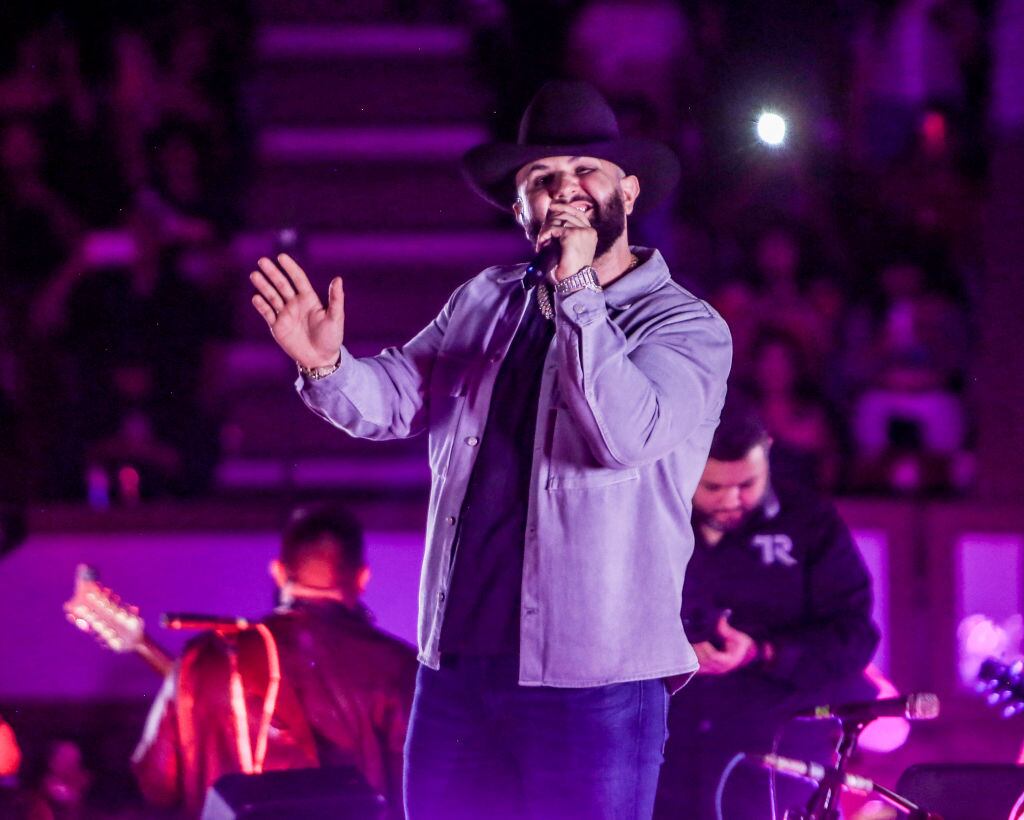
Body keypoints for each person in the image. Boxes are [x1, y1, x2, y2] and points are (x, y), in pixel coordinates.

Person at [249, 80, 732, 820]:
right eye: (542, 180)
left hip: (594, 686)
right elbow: (398, 401)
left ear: (627, 192)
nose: (565, 192)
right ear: (520, 209)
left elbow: (623, 436)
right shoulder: (486, 297)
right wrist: (325, 364)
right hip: (458, 671)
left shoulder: (685, 327)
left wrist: (576, 291)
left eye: (585, 173)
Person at [654, 400, 880, 820]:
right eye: (714, 487)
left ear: (768, 452)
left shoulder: (810, 523)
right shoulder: (650, 518)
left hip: (777, 752)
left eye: (746, 483)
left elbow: (855, 636)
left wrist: (763, 652)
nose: (731, 500)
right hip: (665, 750)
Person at [132, 505, 417, 818]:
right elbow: (420, 794)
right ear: (363, 578)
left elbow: (156, 784)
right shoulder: (400, 667)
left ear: (279, 573)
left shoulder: (202, 656)